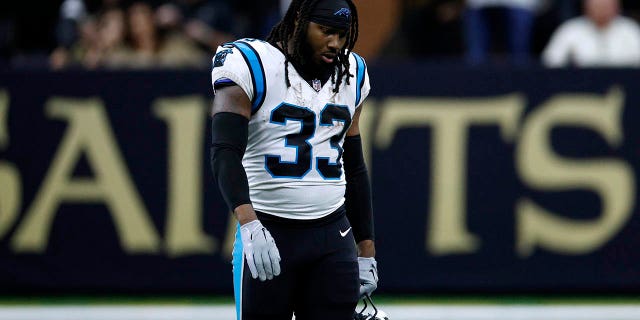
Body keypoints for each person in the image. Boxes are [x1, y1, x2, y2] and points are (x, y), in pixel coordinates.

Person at [209, 0, 377, 319]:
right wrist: (249, 224)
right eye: (325, 31)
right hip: (270, 229)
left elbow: (354, 168)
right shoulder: (252, 63)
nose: (335, 43)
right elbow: (225, 151)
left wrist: (366, 251)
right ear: (299, 20)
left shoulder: (353, 73)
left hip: (333, 234)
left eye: (342, 35)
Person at [542, 0, 640, 67]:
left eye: (606, 6)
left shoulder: (631, 30)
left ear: (617, 7)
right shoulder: (570, 30)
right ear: (586, 6)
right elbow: (550, 63)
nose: (602, 10)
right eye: (597, 6)